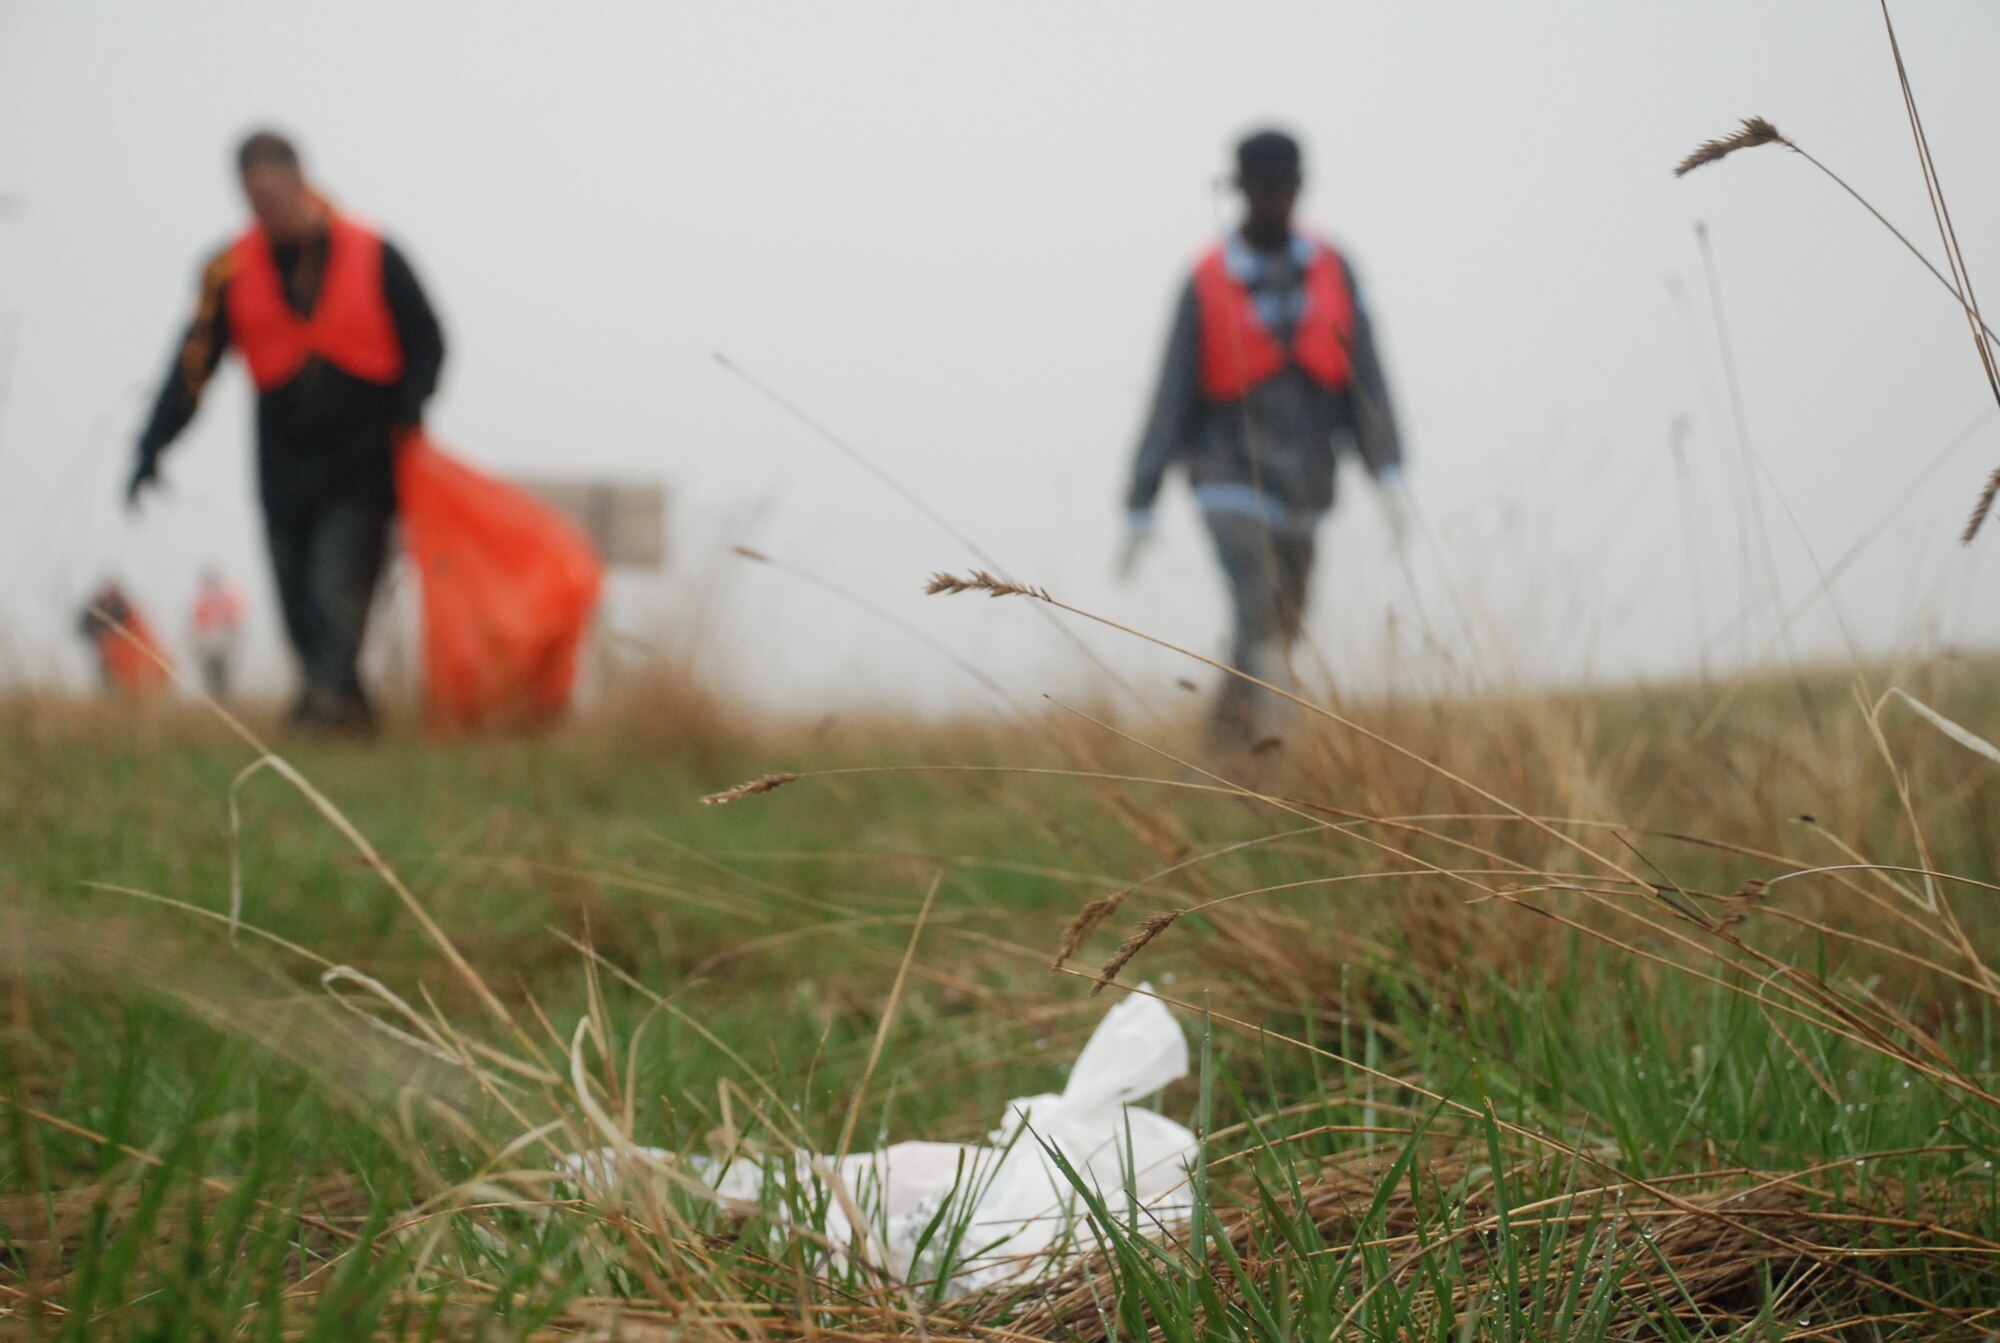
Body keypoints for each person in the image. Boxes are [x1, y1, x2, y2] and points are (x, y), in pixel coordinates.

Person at [127, 130, 445, 731]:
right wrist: (151, 446)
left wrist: (409, 410)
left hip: (364, 464)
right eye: (252, 197)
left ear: (302, 181)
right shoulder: (228, 271)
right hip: (282, 468)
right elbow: (191, 369)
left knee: (336, 589)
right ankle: (344, 711)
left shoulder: (375, 253)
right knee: (298, 604)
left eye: (273, 191)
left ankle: (323, 716)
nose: (265, 209)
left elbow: (428, 339)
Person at [1121, 128, 1408, 741]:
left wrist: (1388, 469)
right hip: (1224, 476)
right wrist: (1140, 501)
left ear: (1300, 187)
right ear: (1240, 190)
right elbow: (1169, 394)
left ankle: (1221, 753)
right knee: (1259, 602)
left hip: (1306, 482)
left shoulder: (1336, 269)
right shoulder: (1204, 279)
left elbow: (1368, 376)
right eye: (1261, 186)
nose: (1274, 198)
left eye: (1285, 185)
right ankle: (1277, 744)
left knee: (1282, 623)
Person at [189, 567, 247, 700]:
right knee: (211, 677)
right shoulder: (201, 602)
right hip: (208, 647)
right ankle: (215, 698)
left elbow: (235, 623)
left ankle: (225, 699)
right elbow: (196, 627)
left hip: (224, 646)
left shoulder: (227, 599)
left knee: (224, 676)